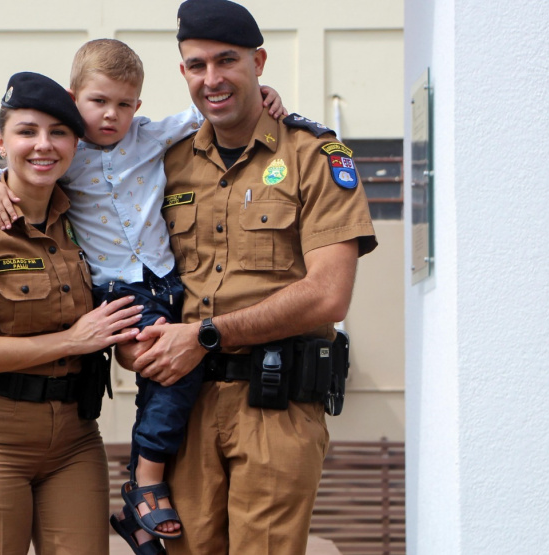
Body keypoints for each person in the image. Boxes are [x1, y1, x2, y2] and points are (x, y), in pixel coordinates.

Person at [0, 39, 288, 555]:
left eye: (123, 104)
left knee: (175, 374)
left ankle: (140, 498)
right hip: (116, 288)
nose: (110, 115)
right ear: (74, 99)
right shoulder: (65, 154)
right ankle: (147, 479)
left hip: (167, 280)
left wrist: (264, 94)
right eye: (97, 102)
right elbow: (16, 167)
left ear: (138, 105)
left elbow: (211, 111)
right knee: (172, 368)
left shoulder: (151, 136)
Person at [118, 1, 379, 554]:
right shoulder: (165, 161)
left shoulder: (315, 156)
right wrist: (132, 343)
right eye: (196, 65)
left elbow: (328, 295)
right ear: (183, 72)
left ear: (258, 62)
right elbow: (99, 212)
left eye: (227, 60)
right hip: (182, 407)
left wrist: (205, 335)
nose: (211, 78)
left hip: (275, 406)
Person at [0, 71, 145, 555]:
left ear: (75, 144)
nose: (44, 145)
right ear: (0, 141)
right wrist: (73, 341)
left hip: (74, 436)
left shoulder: (84, 216)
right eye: (27, 131)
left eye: (58, 132)